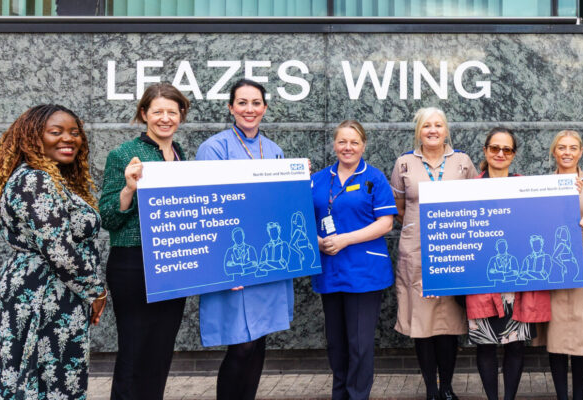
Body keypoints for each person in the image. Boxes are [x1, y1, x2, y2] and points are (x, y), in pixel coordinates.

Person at [0, 105, 107, 399]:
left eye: (74, 132)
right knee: (42, 378)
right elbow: (59, 250)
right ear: (33, 137)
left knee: (33, 375)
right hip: (42, 295)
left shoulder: (43, 178)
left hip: (49, 291)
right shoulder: (36, 180)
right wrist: (96, 292)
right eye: (56, 132)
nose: (69, 138)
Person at [194, 78, 292, 400]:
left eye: (256, 103)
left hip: (264, 259)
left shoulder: (275, 150)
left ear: (264, 108)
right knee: (241, 344)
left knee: (259, 340)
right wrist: (222, 268)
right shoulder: (214, 148)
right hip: (235, 263)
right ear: (230, 107)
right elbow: (208, 208)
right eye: (242, 103)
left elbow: (280, 204)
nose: (249, 110)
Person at [99, 82, 190, 400]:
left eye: (172, 111)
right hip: (133, 262)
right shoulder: (123, 154)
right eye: (157, 111)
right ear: (144, 114)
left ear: (181, 115)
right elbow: (107, 218)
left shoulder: (181, 156)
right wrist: (128, 189)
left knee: (161, 350)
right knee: (134, 350)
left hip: (173, 262)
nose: (165, 118)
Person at [390, 107, 478, 400]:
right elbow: (399, 209)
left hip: (454, 252)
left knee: (449, 323)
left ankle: (448, 387)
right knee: (423, 323)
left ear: (446, 130)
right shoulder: (404, 163)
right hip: (416, 252)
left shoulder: (462, 162)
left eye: (438, 125)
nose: (432, 130)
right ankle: (431, 388)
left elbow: (477, 203)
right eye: (427, 125)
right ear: (418, 130)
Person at [311, 120, 398, 400]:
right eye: (342, 142)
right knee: (336, 344)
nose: (347, 148)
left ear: (363, 146)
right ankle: (340, 395)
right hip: (330, 270)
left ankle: (358, 395)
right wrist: (318, 242)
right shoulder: (318, 180)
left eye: (354, 142)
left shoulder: (375, 178)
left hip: (364, 273)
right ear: (334, 144)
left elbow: (385, 223)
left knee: (359, 344)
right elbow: (301, 221)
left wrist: (346, 239)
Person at [463, 128, 549, 400]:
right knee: (485, 345)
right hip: (481, 280)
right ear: (486, 150)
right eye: (495, 148)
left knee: (515, 346)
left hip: (517, 284)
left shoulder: (527, 187)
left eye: (507, 149)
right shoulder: (467, 190)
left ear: (513, 155)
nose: (500, 154)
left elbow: (543, 222)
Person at [536, 130, 583, 400]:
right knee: (557, 333)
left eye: (573, 148)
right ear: (554, 152)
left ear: (581, 152)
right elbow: (536, 223)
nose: (567, 152)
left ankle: (578, 396)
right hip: (554, 266)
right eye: (562, 147)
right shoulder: (543, 184)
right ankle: (561, 397)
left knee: (581, 334)